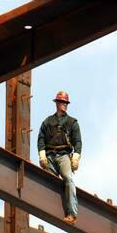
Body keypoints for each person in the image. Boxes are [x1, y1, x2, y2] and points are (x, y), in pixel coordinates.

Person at [37, 91, 82, 224]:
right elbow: (41, 139)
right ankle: (48, 207)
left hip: (63, 156)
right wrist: (42, 154)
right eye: (62, 102)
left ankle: (72, 213)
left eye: (66, 103)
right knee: (48, 180)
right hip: (50, 157)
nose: (64, 105)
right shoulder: (48, 122)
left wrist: (76, 156)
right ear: (57, 103)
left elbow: (78, 141)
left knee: (68, 179)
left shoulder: (71, 122)